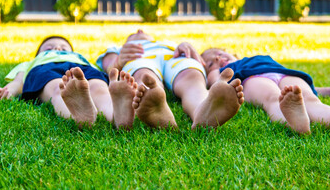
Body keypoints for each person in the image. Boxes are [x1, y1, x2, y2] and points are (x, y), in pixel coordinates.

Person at [96, 29, 245, 129]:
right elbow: (109, 68)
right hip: (140, 59)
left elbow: (201, 58)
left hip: (175, 58)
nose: (139, 30)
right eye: (133, 34)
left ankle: (202, 109)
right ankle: (155, 103)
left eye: (141, 31)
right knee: (144, 76)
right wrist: (119, 60)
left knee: (192, 76)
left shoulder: (169, 44)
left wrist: (185, 46)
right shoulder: (119, 48)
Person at [201, 48, 330, 134]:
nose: (217, 58)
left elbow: (312, 90)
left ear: (233, 54)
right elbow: (217, 84)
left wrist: (329, 90)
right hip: (252, 79)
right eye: (210, 63)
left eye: (219, 53)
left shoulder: (252, 59)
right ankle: (293, 122)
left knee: (309, 98)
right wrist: (215, 75)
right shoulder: (231, 69)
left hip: (284, 75)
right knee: (274, 98)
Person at [0, 36, 137, 129]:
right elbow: (19, 79)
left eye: (63, 47)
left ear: (71, 51)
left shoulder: (81, 58)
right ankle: (78, 116)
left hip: (82, 68)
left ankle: (116, 114)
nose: (57, 48)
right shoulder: (32, 62)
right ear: (38, 54)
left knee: (99, 88)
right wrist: (10, 90)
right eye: (49, 47)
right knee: (58, 89)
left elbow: (99, 72)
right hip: (46, 69)